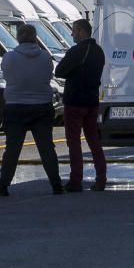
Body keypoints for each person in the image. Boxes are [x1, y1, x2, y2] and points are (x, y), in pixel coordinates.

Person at [0, 24, 65, 197]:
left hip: (16, 106)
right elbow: (48, 75)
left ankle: (3, 186)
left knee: (12, 149)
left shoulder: (9, 57)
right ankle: (56, 185)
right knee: (46, 147)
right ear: (35, 37)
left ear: (18, 37)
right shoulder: (46, 57)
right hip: (42, 106)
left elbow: (7, 76)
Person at [55, 18, 107, 192]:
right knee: (94, 141)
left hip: (75, 101)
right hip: (92, 101)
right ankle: (101, 178)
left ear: (82, 31)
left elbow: (59, 71)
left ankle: (76, 180)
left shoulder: (77, 51)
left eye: (74, 31)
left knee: (74, 142)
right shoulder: (99, 51)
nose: (72, 34)